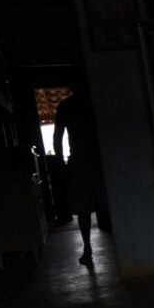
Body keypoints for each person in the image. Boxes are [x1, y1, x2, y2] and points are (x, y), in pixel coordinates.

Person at [53, 87, 106, 266]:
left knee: (84, 209)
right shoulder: (95, 103)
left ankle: (87, 247)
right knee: (104, 203)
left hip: (80, 160)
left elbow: (57, 138)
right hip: (100, 158)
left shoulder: (66, 106)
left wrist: (61, 164)